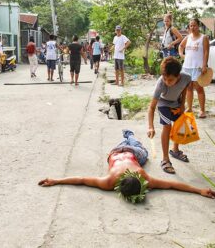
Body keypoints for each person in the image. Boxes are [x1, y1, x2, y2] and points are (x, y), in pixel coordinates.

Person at [39, 129, 215, 203]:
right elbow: (81, 180)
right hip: (118, 152)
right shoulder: (111, 182)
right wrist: (55, 180)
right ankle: (129, 134)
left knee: (135, 145)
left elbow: (82, 179)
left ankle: (128, 134)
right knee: (137, 147)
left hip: (122, 151)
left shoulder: (118, 180)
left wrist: (56, 180)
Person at [147, 57, 191, 174]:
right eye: (165, 79)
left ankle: (175, 150)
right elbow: (151, 107)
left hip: (176, 102)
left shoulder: (186, 77)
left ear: (178, 76)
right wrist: (151, 126)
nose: (167, 82)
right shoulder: (161, 83)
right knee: (167, 126)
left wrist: (182, 104)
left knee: (181, 124)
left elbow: (184, 88)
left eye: (170, 80)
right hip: (163, 103)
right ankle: (165, 159)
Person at [179, 18, 210, 119]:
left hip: (198, 67)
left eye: (194, 25)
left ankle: (202, 110)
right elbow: (181, 46)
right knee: (188, 88)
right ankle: (190, 108)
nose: (192, 27)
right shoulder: (188, 37)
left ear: (198, 26)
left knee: (199, 88)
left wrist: (204, 65)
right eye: (191, 25)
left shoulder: (203, 38)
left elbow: (206, 52)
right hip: (187, 66)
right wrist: (181, 55)